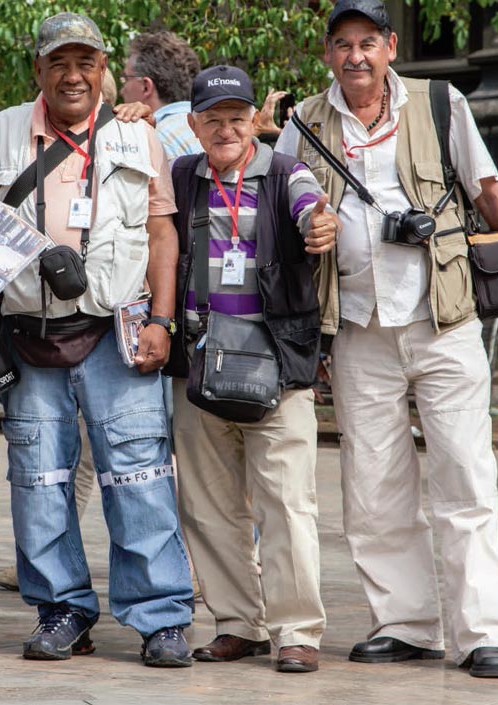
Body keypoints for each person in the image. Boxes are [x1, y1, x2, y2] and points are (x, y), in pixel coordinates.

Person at [275, 0, 498, 679]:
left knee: (465, 476)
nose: (355, 56)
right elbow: (269, 204)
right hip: (359, 330)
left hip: (444, 321)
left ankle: (483, 632)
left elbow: (492, 195)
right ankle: (403, 623)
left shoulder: (438, 103)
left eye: (368, 42)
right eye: (342, 44)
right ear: (328, 55)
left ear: (390, 47)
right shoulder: (305, 122)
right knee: (372, 489)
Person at [0, 12, 194, 667]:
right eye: (59, 62)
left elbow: (163, 232)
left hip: (119, 331)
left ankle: (161, 616)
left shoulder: (138, 136)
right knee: (37, 477)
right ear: (38, 71)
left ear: (105, 69)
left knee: (139, 472)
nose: (74, 75)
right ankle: (62, 609)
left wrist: (162, 321)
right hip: (28, 335)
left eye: (87, 61)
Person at [167, 66, 336, 673]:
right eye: (212, 119)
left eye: (237, 118)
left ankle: (297, 631)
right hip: (200, 363)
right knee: (208, 504)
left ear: (253, 123)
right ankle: (239, 623)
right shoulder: (182, 174)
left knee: (288, 502)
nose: (225, 128)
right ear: (193, 125)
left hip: (278, 363)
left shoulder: (284, 171)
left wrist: (319, 224)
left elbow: (310, 207)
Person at [120, 31, 203, 164]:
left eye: (125, 78)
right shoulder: (213, 131)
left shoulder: (152, 140)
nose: (122, 91)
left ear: (146, 87)